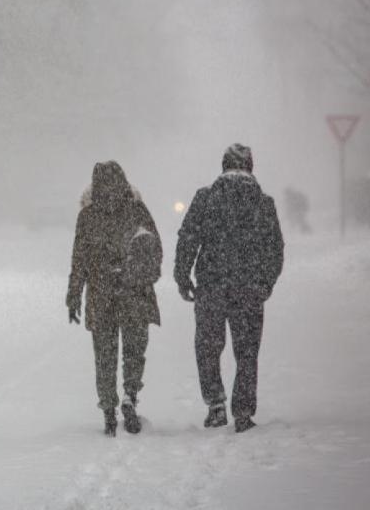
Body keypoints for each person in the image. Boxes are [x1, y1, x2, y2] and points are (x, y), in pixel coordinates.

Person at [174, 144, 284, 433]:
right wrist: (264, 283)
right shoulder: (263, 202)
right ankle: (244, 412)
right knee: (247, 352)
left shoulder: (206, 198)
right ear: (250, 166)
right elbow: (275, 249)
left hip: (211, 286)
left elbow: (188, 238)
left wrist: (182, 276)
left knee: (208, 347)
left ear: (223, 166)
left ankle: (216, 405)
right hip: (248, 289)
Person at [67, 161, 162, 436]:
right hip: (135, 292)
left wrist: (74, 295)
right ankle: (130, 396)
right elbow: (155, 248)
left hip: (101, 293)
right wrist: (145, 275)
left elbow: (79, 260)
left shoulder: (87, 215)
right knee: (134, 352)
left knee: (105, 356)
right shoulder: (137, 209)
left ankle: (109, 410)